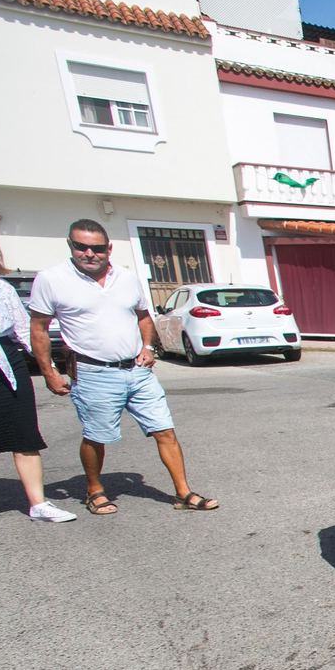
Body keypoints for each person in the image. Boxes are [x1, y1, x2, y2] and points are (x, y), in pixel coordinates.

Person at [28, 220, 217, 514]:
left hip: (137, 371)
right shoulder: (51, 279)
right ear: (71, 245)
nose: (90, 253)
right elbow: (39, 329)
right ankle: (94, 490)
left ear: (109, 248)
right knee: (96, 435)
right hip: (93, 372)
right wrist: (49, 372)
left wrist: (148, 347)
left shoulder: (127, 278)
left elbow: (143, 316)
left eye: (98, 248)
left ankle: (182, 493)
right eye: (81, 246)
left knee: (164, 430)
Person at [0, 241, 76, 522]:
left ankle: (38, 504)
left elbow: (24, 329)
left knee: (23, 434)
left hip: (6, 365)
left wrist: (49, 369)